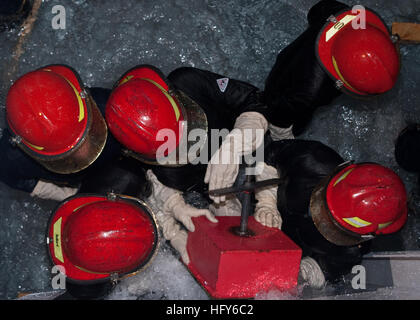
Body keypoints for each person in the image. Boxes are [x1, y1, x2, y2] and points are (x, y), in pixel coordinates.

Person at [205, 0, 401, 201]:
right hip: (284, 95)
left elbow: (318, 10)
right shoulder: (309, 93)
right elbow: (279, 115)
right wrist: (284, 143)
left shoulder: (347, 17)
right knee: (278, 130)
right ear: (340, 82)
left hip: (288, 61)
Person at [104, 64, 283, 264]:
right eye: (172, 151)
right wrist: (174, 213)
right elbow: (149, 183)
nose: (185, 150)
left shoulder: (189, 82)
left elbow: (254, 99)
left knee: (281, 198)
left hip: (252, 148)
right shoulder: (129, 147)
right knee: (232, 236)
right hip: (208, 185)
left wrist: (235, 145)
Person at [253, 138, 408, 288]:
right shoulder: (312, 158)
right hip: (264, 205)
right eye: (322, 207)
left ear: (361, 236)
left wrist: (299, 272)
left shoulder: (349, 253)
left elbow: (324, 271)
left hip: (286, 246)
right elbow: (269, 153)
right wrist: (267, 201)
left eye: (331, 225)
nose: (319, 219)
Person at [0, 64, 149, 201]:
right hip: (83, 183)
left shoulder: (113, 108)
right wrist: (67, 196)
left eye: (86, 134)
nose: (83, 154)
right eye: (66, 155)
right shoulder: (13, 158)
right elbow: (12, 177)